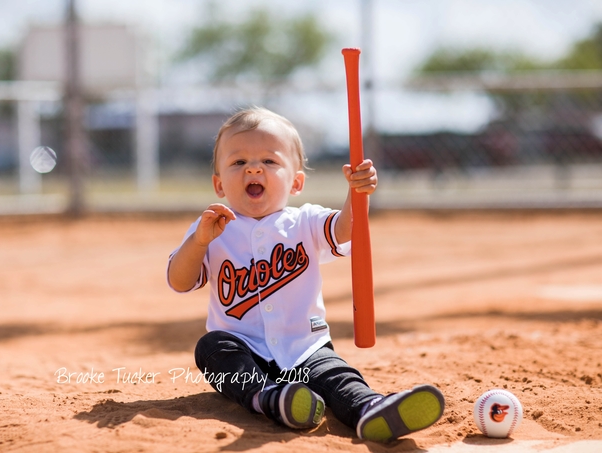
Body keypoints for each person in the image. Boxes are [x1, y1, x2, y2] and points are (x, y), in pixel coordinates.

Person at [166, 107, 444, 442]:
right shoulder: (210, 228)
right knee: (211, 348)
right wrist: (198, 243)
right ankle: (268, 398)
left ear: (296, 181)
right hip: (242, 348)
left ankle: (370, 407)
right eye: (238, 162)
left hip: (304, 347)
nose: (253, 168)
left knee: (335, 375)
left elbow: (345, 230)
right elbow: (180, 281)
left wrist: (357, 194)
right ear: (218, 184)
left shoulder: (305, 222)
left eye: (270, 161)